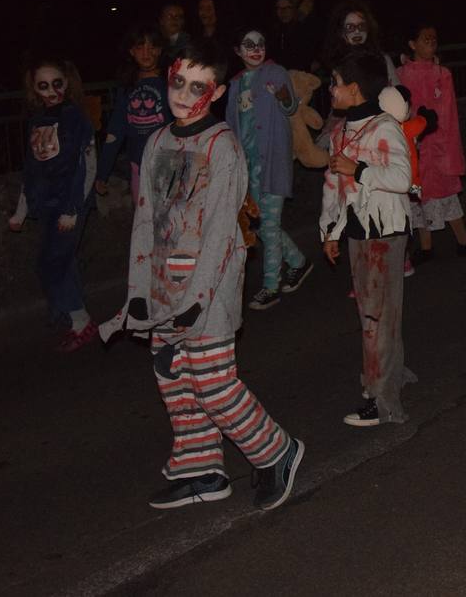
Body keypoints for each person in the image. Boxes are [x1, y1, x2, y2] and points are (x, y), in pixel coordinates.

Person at [99, 39, 305, 511]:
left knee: (213, 382)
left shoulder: (223, 146)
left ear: (214, 93)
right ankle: (201, 470)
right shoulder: (157, 141)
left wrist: (197, 299)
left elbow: (220, 231)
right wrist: (137, 291)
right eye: (178, 81)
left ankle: (277, 451)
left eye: (197, 85)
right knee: (173, 377)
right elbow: (147, 219)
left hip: (207, 288)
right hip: (161, 286)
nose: (183, 93)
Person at [320, 51, 417, 427]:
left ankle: (382, 399)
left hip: (386, 233)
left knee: (378, 316)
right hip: (357, 231)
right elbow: (332, 186)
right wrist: (329, 230)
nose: (330, 89)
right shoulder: (340, 132)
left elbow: (402, 179)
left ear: (355, 88)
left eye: (335, 83)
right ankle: (388, 376)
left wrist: (358, 168)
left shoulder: (384, 127)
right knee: (375, 314)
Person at [9, 56, 97, 351]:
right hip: (45, 204)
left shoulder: (76, 118)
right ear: (34, 89)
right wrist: (21, 210)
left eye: (56, 84)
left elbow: (87, 165)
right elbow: (31, 169)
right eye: (43, 86)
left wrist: (73, 208)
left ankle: (80, 319)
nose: (50, 91)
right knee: (58, 262)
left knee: (54, 264)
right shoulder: (37, 120)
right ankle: (71, 315)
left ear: (67, 83)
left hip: (68, 202)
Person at [226, 27, 313, 310]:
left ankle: (270, 286)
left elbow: (289, 108)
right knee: (263, 227)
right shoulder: (235, 84)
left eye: (260, 43)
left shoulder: (275, 73)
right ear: (238, 51)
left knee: (270, 225)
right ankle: (299, 262)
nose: (255, 48)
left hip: (273, 162)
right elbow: (231, 127)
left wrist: (282, 94)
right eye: (248, 44)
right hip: (249, 168)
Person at [396, 22, 466, 262]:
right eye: (425, 39)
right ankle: (427, 246)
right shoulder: (402, 75)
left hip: (439, 145)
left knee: (446, 193)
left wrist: (451, 147)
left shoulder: (443, 74)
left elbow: (450, 114)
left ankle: (463, 242)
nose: (430, 43)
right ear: (412, 44)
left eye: (433, 39)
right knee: (419, 196)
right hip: (416, 144)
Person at [96, 23, 170, 199]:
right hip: (138, 165)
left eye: (152, 46)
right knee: (144, 221)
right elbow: (115, 131)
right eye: (140, 47)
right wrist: (102, 173)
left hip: (168, 164)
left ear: (160, 50)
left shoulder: (171, 82)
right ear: (131, 51)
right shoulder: (127, 86)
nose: (146, 52)